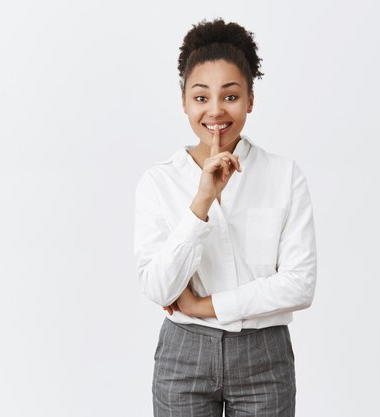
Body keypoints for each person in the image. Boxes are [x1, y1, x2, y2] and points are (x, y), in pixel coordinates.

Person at [133, 17, 317, 417]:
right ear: (183, 101)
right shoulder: (158, 182)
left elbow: (299, 285)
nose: (215, 110)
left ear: (250, 99)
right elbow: (157, 286)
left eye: (230, 96)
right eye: (201, 97)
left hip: (264, 356)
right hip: (184, 356)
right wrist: (201, 201)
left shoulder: (284, 175)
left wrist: (205, 305)